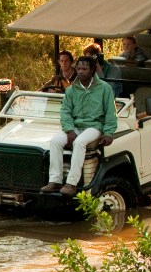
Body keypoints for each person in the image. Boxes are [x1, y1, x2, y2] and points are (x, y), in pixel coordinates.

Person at [42, 56, 117, 197]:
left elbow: (110, 113)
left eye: (85, 69)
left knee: (79, 142)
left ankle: (71, 183)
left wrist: (108, 133)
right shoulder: (71, 90)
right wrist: (69, 129)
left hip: (95, 126)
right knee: (55, 141)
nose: (81, 72)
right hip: (75, 125)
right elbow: (65, 112)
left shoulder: (104, 88)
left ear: (92, 70)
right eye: (79, 69)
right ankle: (55, 180)